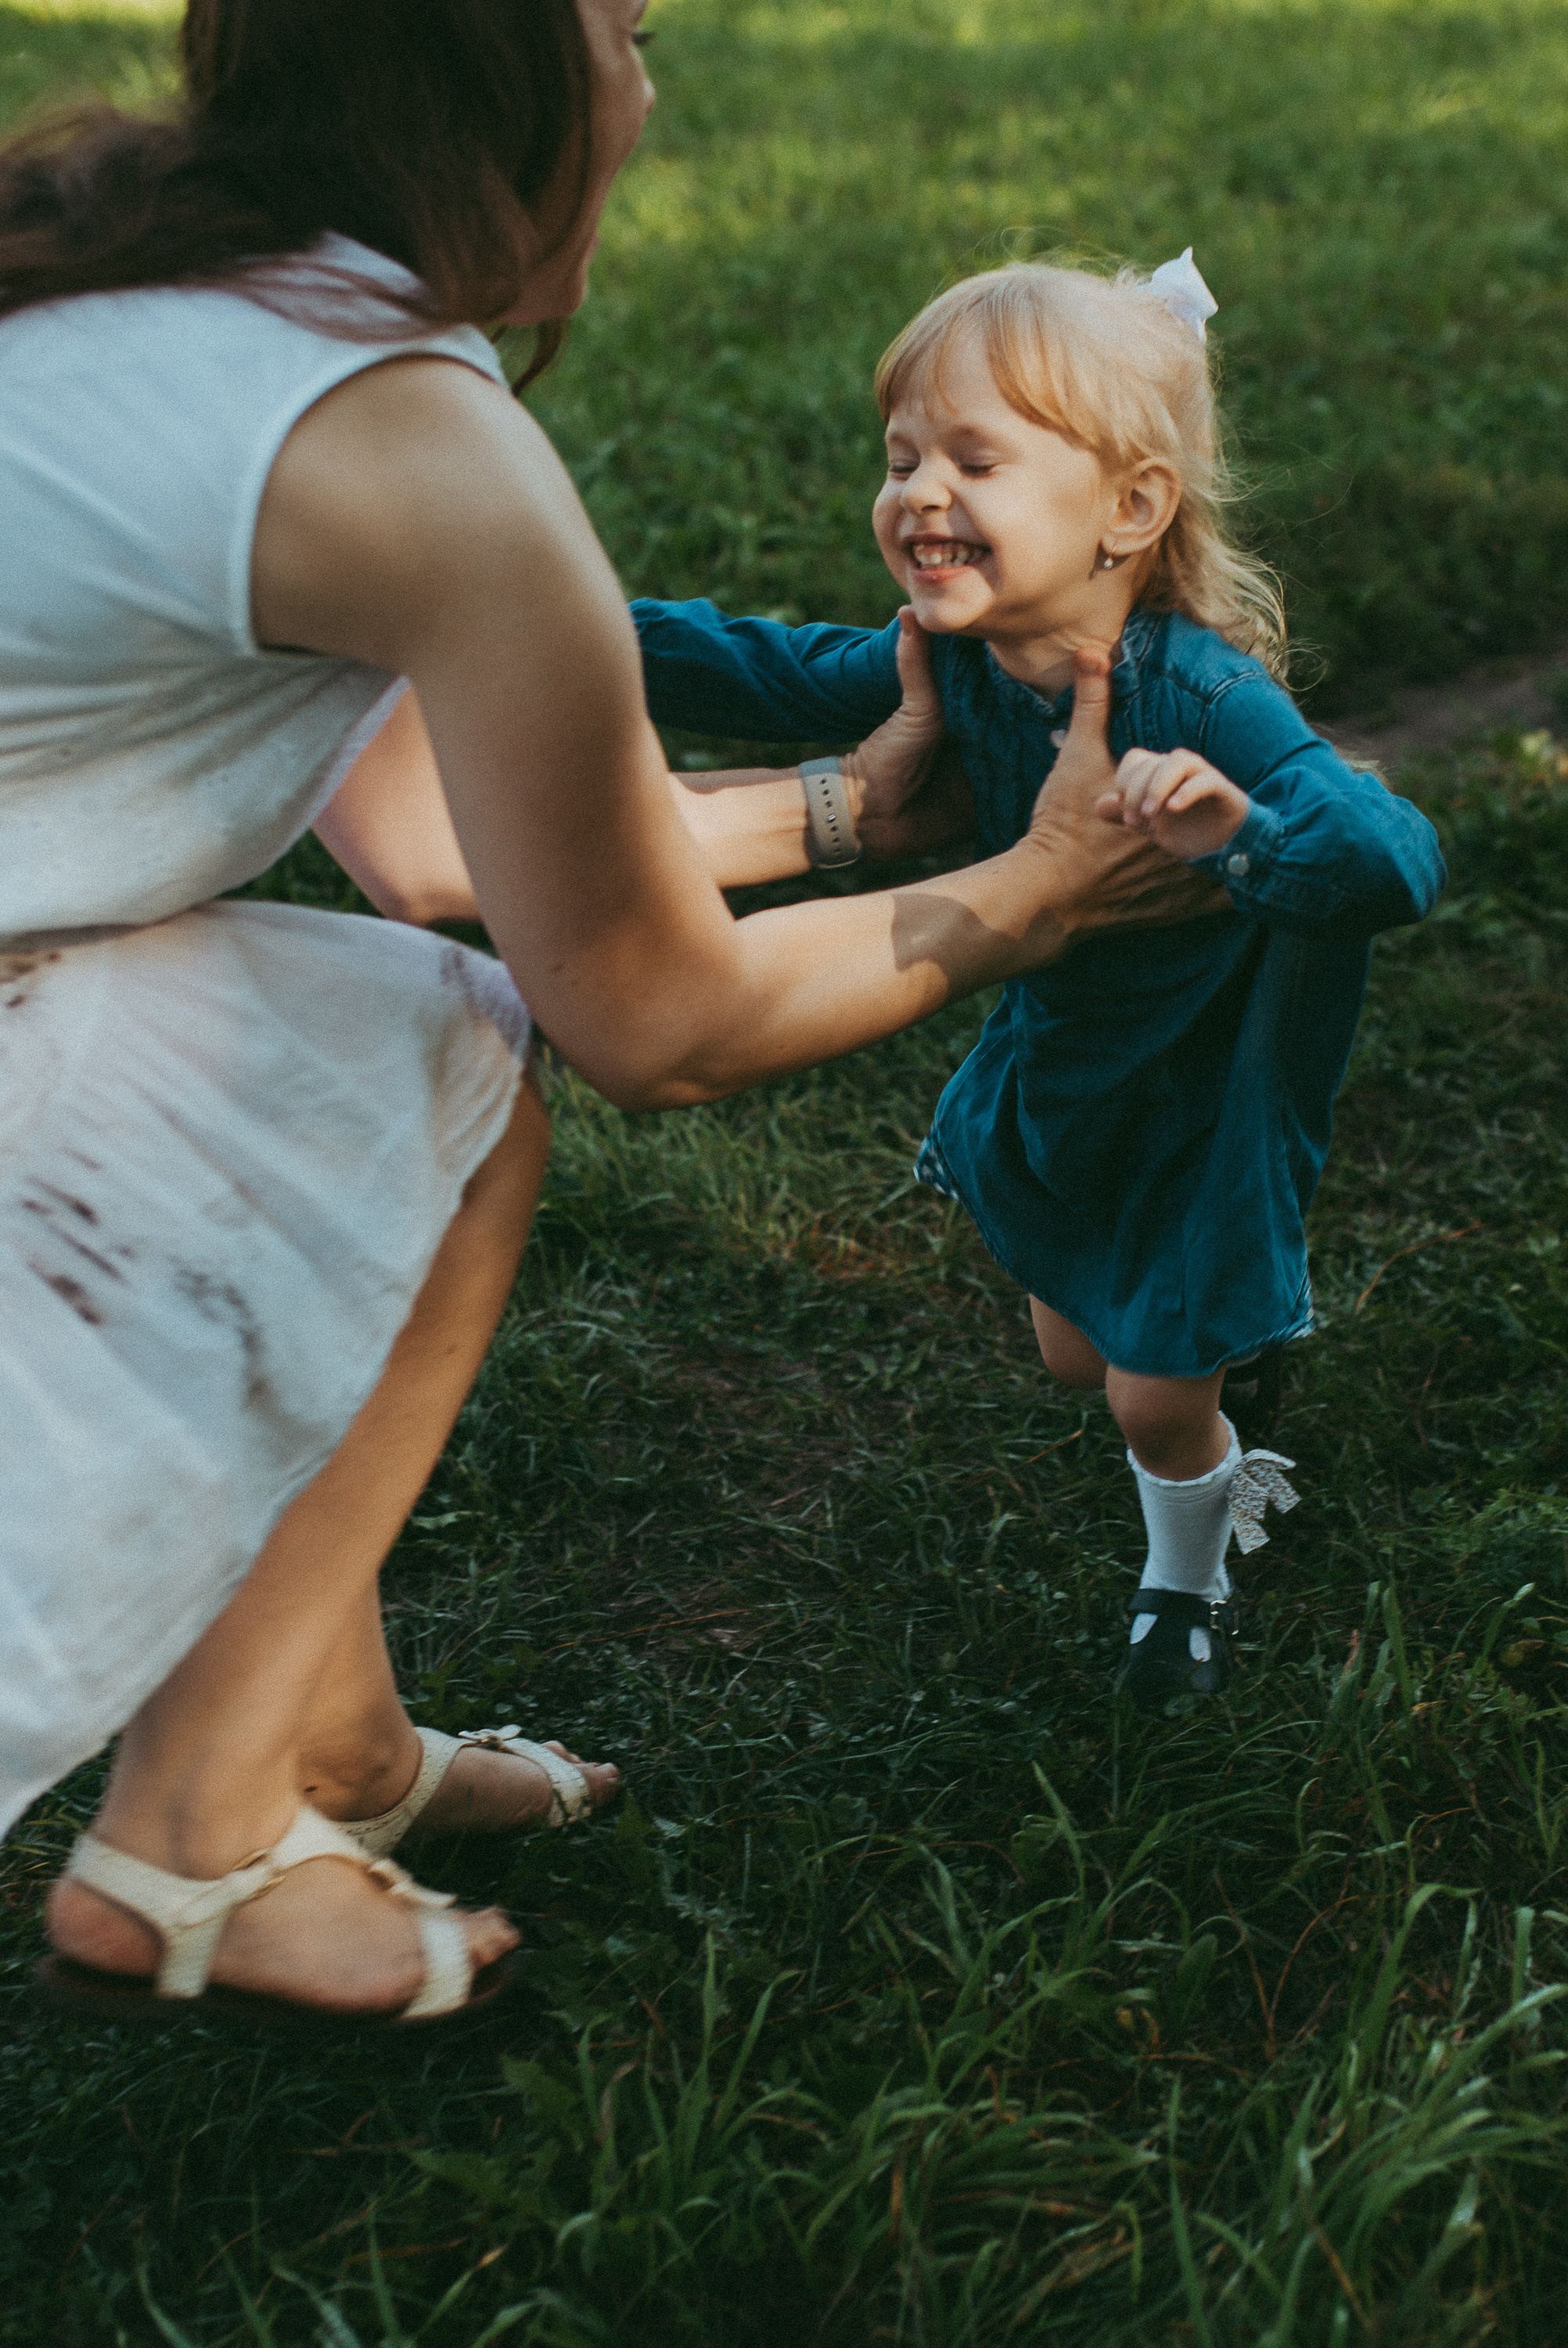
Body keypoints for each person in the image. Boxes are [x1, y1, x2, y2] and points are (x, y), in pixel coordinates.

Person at [0, 2, 1223, 2029]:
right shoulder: (404, 441)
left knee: (427, 1042)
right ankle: (194, 1839)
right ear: (515, 79)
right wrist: (1033, 890)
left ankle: (339, 1753)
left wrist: (853, 807)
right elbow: (650, 1010)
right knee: (448, 1053)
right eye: (632, 32)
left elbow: (438, 853)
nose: (648, 85)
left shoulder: (176, 283)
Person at [631, 254, 1447, 1714]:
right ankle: (1223, 1372)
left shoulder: (1195, 694)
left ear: (1129, 511)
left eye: (974, 458)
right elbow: (755, 667)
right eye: (902, 459)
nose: (919, 492)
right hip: (1070, 1071)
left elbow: (1389, 854)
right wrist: (552, 627)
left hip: (1203, 1094)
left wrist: (1243, 836)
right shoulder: (952, 661)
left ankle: (1183, 1586)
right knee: (1079, 1352)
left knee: (1148, 1393)